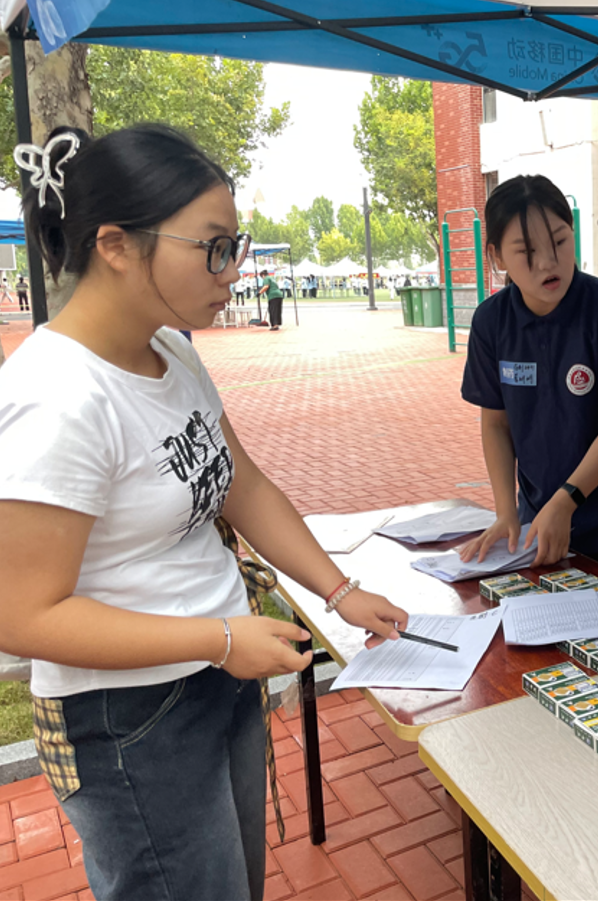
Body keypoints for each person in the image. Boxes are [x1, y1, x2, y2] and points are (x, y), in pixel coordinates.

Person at [0, 124, 410, 899]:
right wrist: (219, 639)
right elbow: (20, 616)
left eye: (236, 245)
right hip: (129, 718)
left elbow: (242, 485)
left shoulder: (172, 351)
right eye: (213, 248)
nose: (234, 270)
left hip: (217, 676)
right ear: (116, 245)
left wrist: (340, 591)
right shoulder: (56, 398)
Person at [459, 175, 598, 577]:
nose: (548, 262)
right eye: (527, 251)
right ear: (497, 257)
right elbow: (496, 424)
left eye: (560, 242)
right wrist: (506, 513)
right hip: (540, 523)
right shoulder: (492, 322)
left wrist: (567, 500)